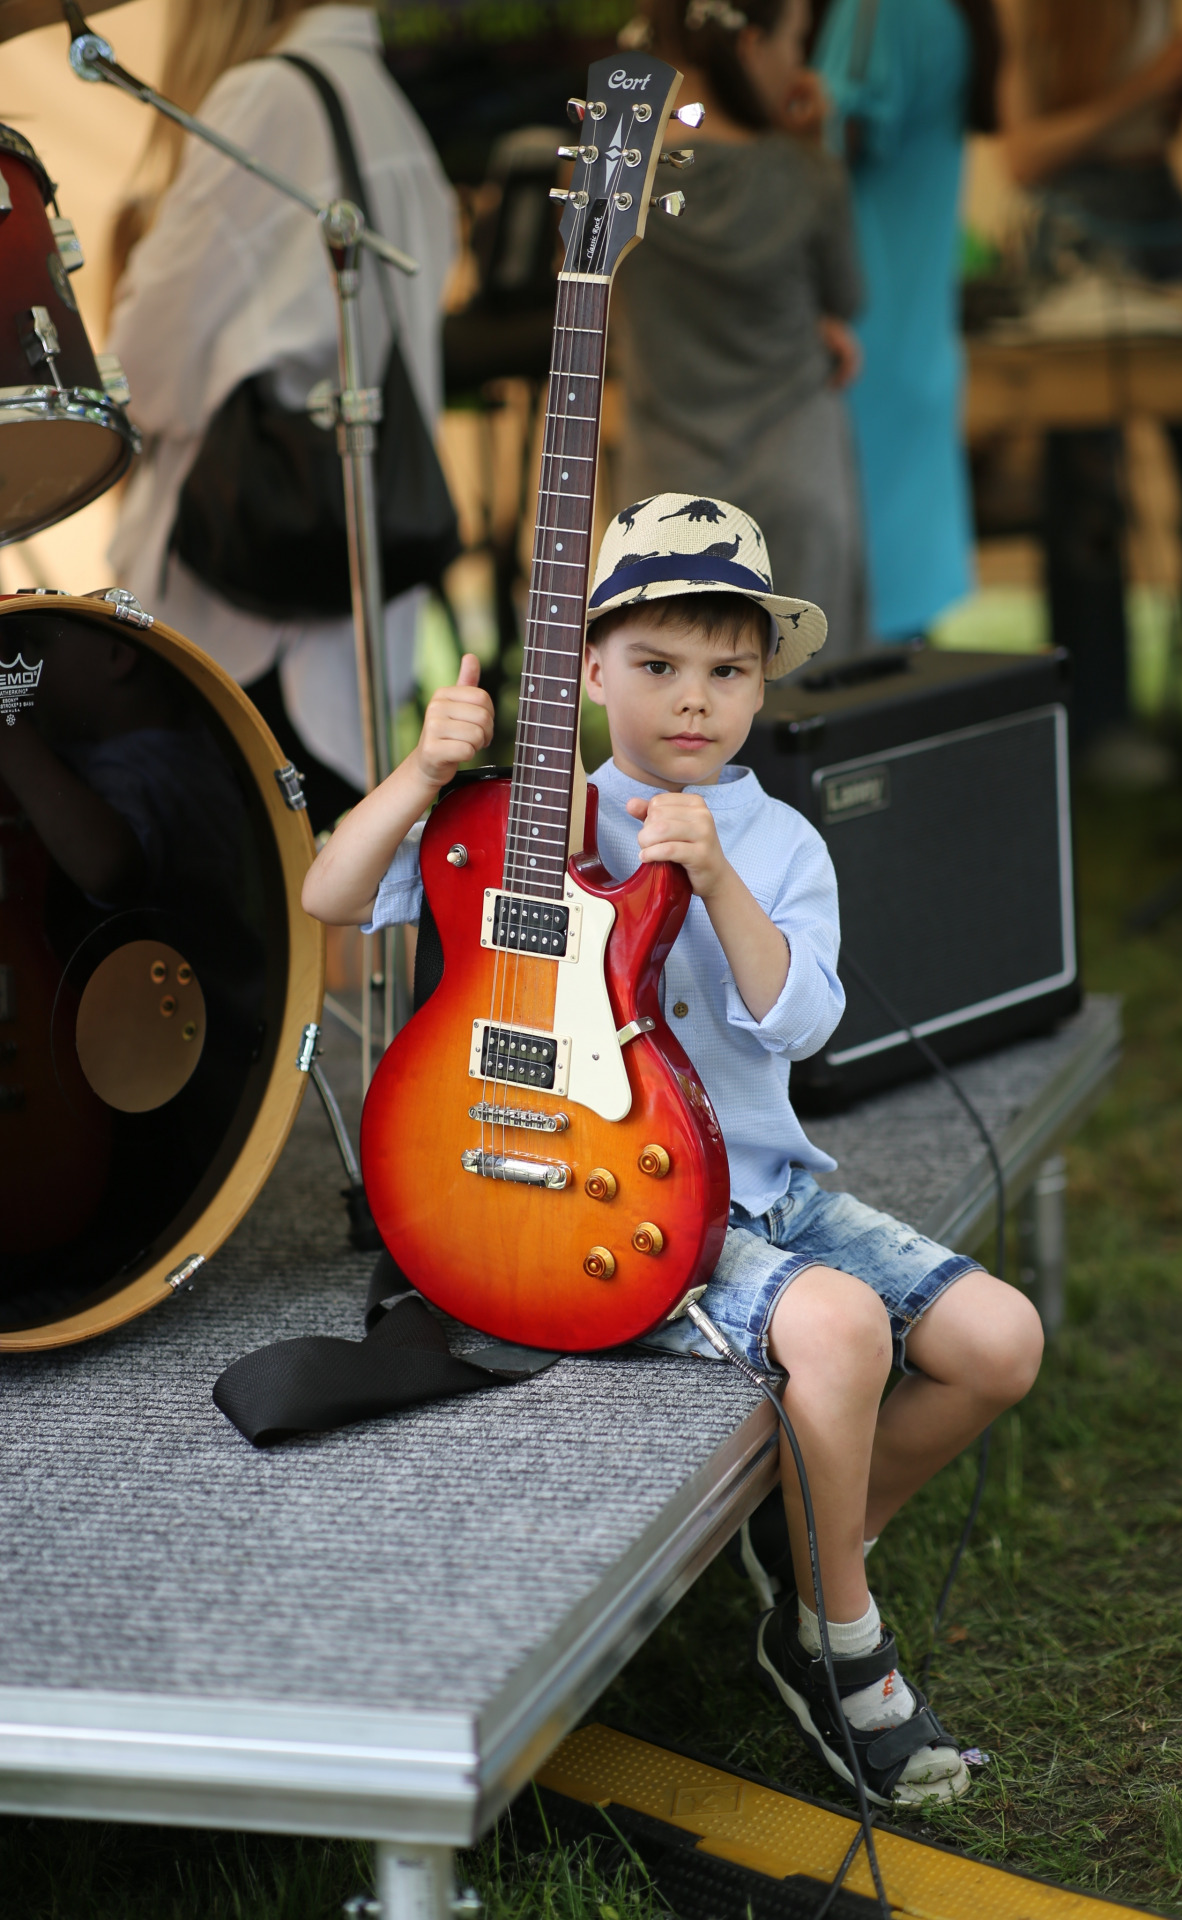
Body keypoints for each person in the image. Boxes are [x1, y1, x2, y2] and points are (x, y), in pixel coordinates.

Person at [301, 493, 1044, 1806]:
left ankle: (819, 1546)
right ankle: (836, 1639)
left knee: (999, 1342)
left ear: (761, 684)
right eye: (653, 666)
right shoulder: (518, 827)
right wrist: (421, 773)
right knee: (842, 1335)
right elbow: (329, 894)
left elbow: (802, 1017)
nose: (688, 701)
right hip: (622, 1207)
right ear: (586, 668)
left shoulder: (774, 840)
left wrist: (715, 881)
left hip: (762, 1187)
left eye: (724, 671)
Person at [108, 0, 456, 830]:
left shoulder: (267, 100)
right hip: (347, 604)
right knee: (322, 896)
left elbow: (142, 367)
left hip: (247, 617)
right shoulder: (381, 100)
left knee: (220, 911)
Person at [999, 0, 1182, 780]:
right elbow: (1022, 154)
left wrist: (1180, 95)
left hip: (1163, 216)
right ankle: (1098, 724)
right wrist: (1145, 86)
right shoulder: (1039, 20)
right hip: (1077, 241)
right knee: (1088, 498)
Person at [614, 0, 867, 664]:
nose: (799, 64)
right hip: (796, 480)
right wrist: (810, 144)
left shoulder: (613, 180)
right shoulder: (803, 173)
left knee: (676, 730)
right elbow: (847, 296)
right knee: (807, 730)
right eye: (794, 42)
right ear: (751, 44)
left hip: (664, 493)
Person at [812, 0, 1003, 643]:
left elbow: (824, 151)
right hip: (906, 346)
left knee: (861, 646)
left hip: (860, 358)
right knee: (893, 639)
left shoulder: (884, 8)